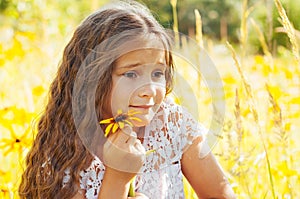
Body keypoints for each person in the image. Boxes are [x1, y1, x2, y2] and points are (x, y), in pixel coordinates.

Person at [19, 1, 236, 198]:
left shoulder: (173, 124)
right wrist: (117, 179)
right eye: (131, 74)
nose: (149, 90)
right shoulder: (65, 154)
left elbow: (220, 194)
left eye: (158, 74)